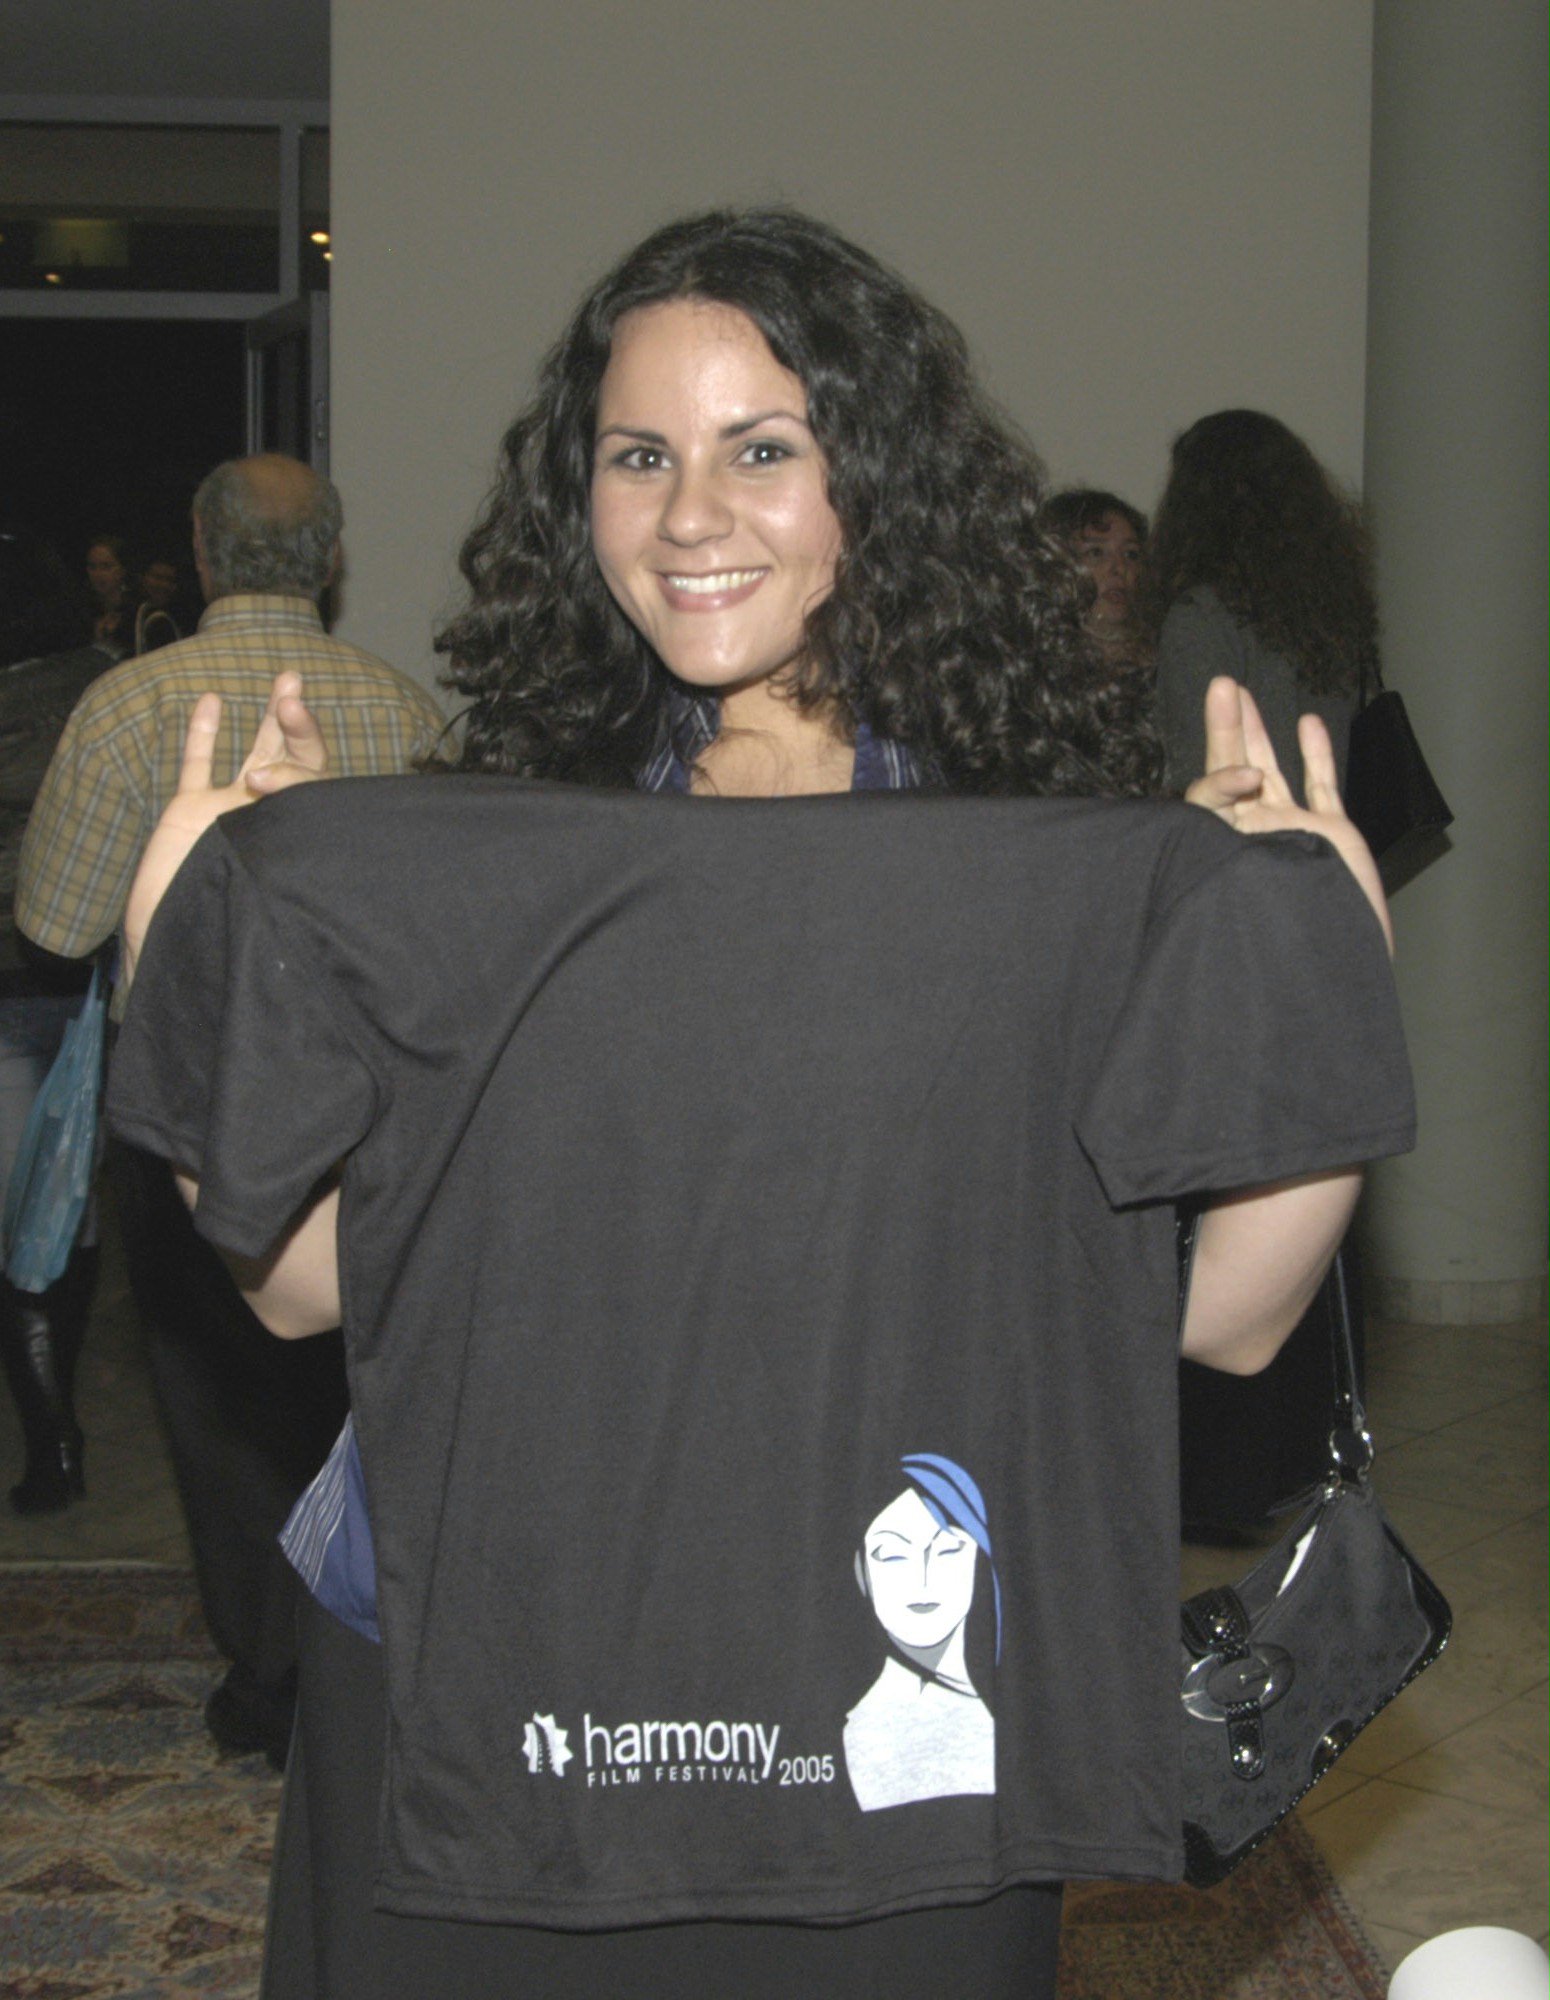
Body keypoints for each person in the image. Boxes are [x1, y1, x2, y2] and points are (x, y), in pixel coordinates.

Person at [106, 211, 1410, 1999]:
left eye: (763, 451)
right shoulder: (498, 844)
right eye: (638, 456)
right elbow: (302, 1283)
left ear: (877, 484)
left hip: (861, 1699)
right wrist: (186, 941)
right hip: (489, 1662)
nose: (689, 514)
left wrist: (1326, 987)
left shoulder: (1031, 864)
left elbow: (1233, 1321)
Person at [18, 453, 447, 1765]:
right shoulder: (403, 709)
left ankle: (265, 1682)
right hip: (378, 1108)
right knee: (353, 1391)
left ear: (201, 557)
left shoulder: (126, 705)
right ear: (326, 562)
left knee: (216, 1418)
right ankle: (364, 1667)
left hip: (190, 1115)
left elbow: (54, 923)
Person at [1143, 410, 1382, 1536]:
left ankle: (1221, 1489)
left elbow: (1208, 781)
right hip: (1328, 907)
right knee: (1305, 1200)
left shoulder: (1200, 614)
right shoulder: (1329, 614)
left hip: (1233, 921)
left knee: (1222, 1202)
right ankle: (1298, 1469)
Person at [0, 528, 111, 1513]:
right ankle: (54, 1439)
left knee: (26, 1227)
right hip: (80, 981)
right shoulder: (100, 686)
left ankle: (53, 1446)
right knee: (52, 1220)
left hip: (15, 985)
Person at [1144, 408, 1373, 799]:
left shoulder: (1202, 616)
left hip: (1242, 848)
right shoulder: (1328, 614)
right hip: (1320, 845)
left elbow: (1198, 778)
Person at [845, 1454, 999, 1812]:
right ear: (862, 1569)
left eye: (948, 1549)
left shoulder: (1011, 1723)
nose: (924, 1577)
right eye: (894, 1555)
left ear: (978, 1559)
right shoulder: (852, 1730)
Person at [1037, 487, 1149, 660]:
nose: (1119, 567)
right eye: (1096, 553)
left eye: (1131, 554)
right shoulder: (1028, 669)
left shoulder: (1169, 667)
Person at [84, 535, 137, 659]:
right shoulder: (83, 606)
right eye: (92, 567)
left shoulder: (137, 610)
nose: (98, 574)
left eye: (106, 567)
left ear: (122, 569)